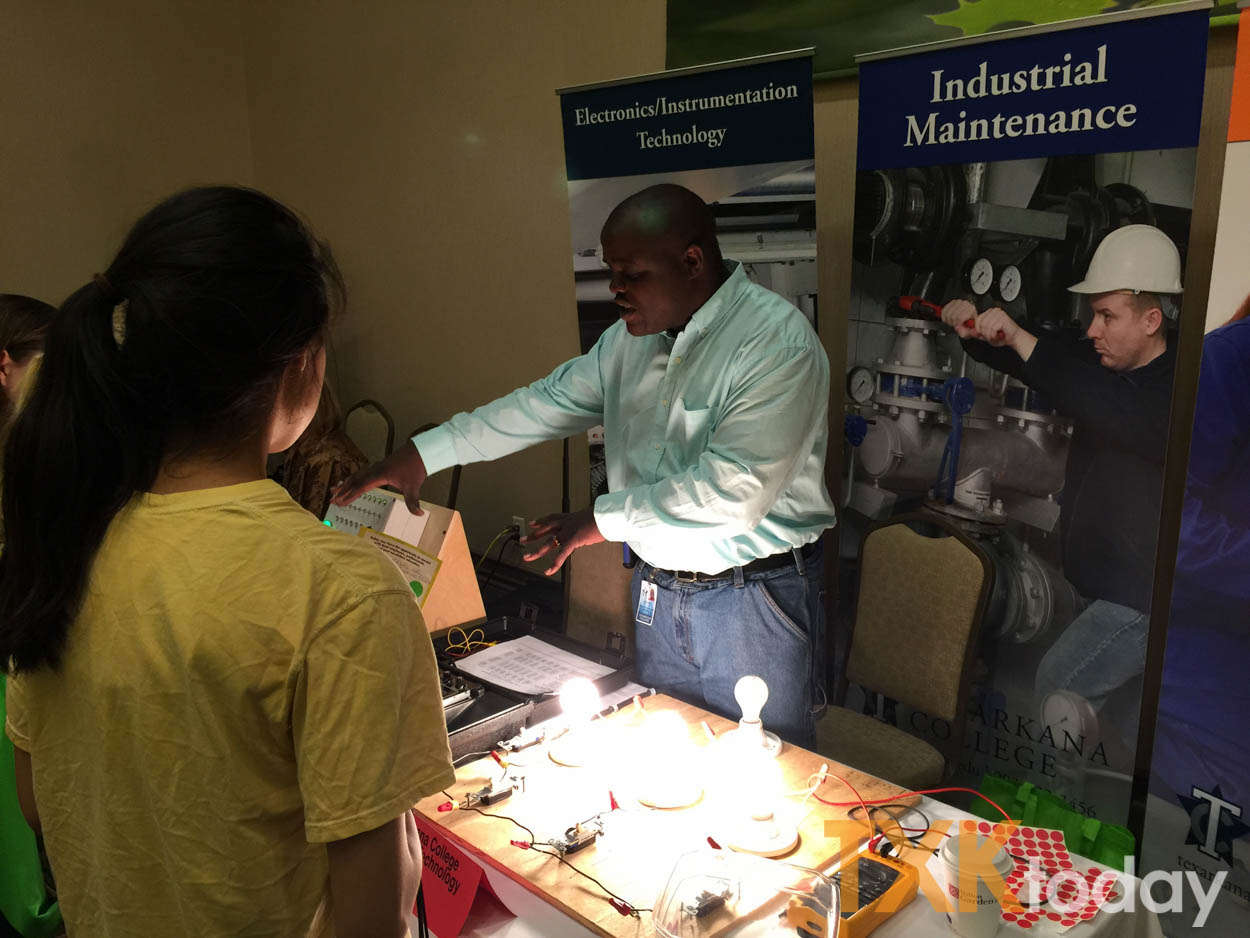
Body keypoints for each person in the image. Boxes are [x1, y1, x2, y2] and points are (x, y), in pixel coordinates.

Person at [0, 187, 454, 938]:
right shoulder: (343, 594)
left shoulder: (62, 545)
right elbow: (372, 919)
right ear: (301, 362)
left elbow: (36, 799)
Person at [336, 184, 837, 746]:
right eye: (609, 272)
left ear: (692, 262)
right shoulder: (627, 343)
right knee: (672, 757)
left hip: (752, 602)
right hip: (657, 592)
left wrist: (600, 519)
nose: (616, 289)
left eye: (632, 274)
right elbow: (541, 405)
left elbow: (734, 493)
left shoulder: (775, 344)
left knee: (768, 772)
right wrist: (426, 452)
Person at [942, 224, 1180, 717]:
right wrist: (977, 333)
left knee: (1056, 685)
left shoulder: (1176, 390)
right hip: (1097, 585)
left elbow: (1097, 398)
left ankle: (1055, 773)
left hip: (1142, 601)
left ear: (1151, 320)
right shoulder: (1109, 364)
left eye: (1106, 316)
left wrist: (1021, 337)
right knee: (1090, 715)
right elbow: (1044, 361)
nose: (1093, 330)